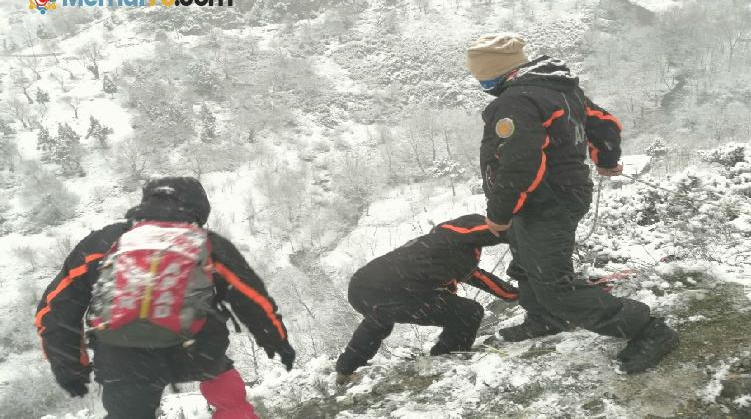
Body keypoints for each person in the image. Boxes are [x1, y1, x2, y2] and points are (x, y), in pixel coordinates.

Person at [464, 33, 678, 374]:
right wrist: (607, 158)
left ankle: (647, 329)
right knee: (525, 260)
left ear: (494, 70)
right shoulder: (558, 89)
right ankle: (545, 319)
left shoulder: (516, 102)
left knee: (554, 285)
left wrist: (499, 215)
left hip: (545, 201)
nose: (479, 80)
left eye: (480, 73)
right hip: (556, 195)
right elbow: (604, 123)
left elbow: (520, 167)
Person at [35, 177, 295, 419]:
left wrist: (70, 366)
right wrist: (276, 341)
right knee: (231, 401)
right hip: (197, 349)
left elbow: (54, 310)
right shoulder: (207, 243)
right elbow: (251, 297)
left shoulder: (102, 243)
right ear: (200, 210)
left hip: (123, 359)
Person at [335, 214, 518, 384]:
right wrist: (516, 229)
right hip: (378, 287)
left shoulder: (442, 251)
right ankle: (447, 356)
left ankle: (346, 368)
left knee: (383, 317)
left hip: (366, 285)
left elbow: (479, 278)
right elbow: (482, 230)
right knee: (467, 312)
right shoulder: (450, 241)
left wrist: (514, 294)